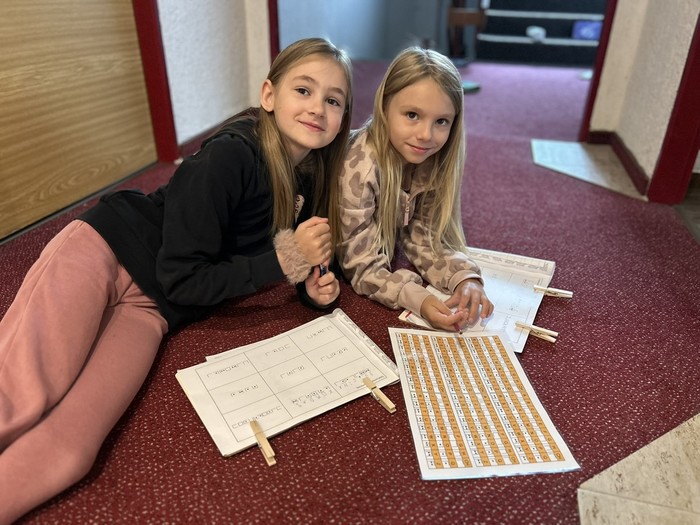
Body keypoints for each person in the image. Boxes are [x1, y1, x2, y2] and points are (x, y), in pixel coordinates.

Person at [0, 37, 352, 523]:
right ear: (269, 95)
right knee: (21, 394)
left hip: (156, 306)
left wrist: (309, 289)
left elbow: (284, 258)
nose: (316, 108)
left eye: (333, 100)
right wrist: (285, 260)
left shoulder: (309, 176)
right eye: (304, 90)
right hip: (110, 248)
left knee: (71, 451)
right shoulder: (229, 156)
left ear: (343, 117)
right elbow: (190, 277)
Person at [336, 47, 492, 331]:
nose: (425, 135)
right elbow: (360, 266)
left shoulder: (432, 158)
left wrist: (464, 277)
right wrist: (417, 298)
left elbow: (423, 237)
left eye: (441, 121)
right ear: (384, 106)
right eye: (412, 115)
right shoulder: (361, 167)